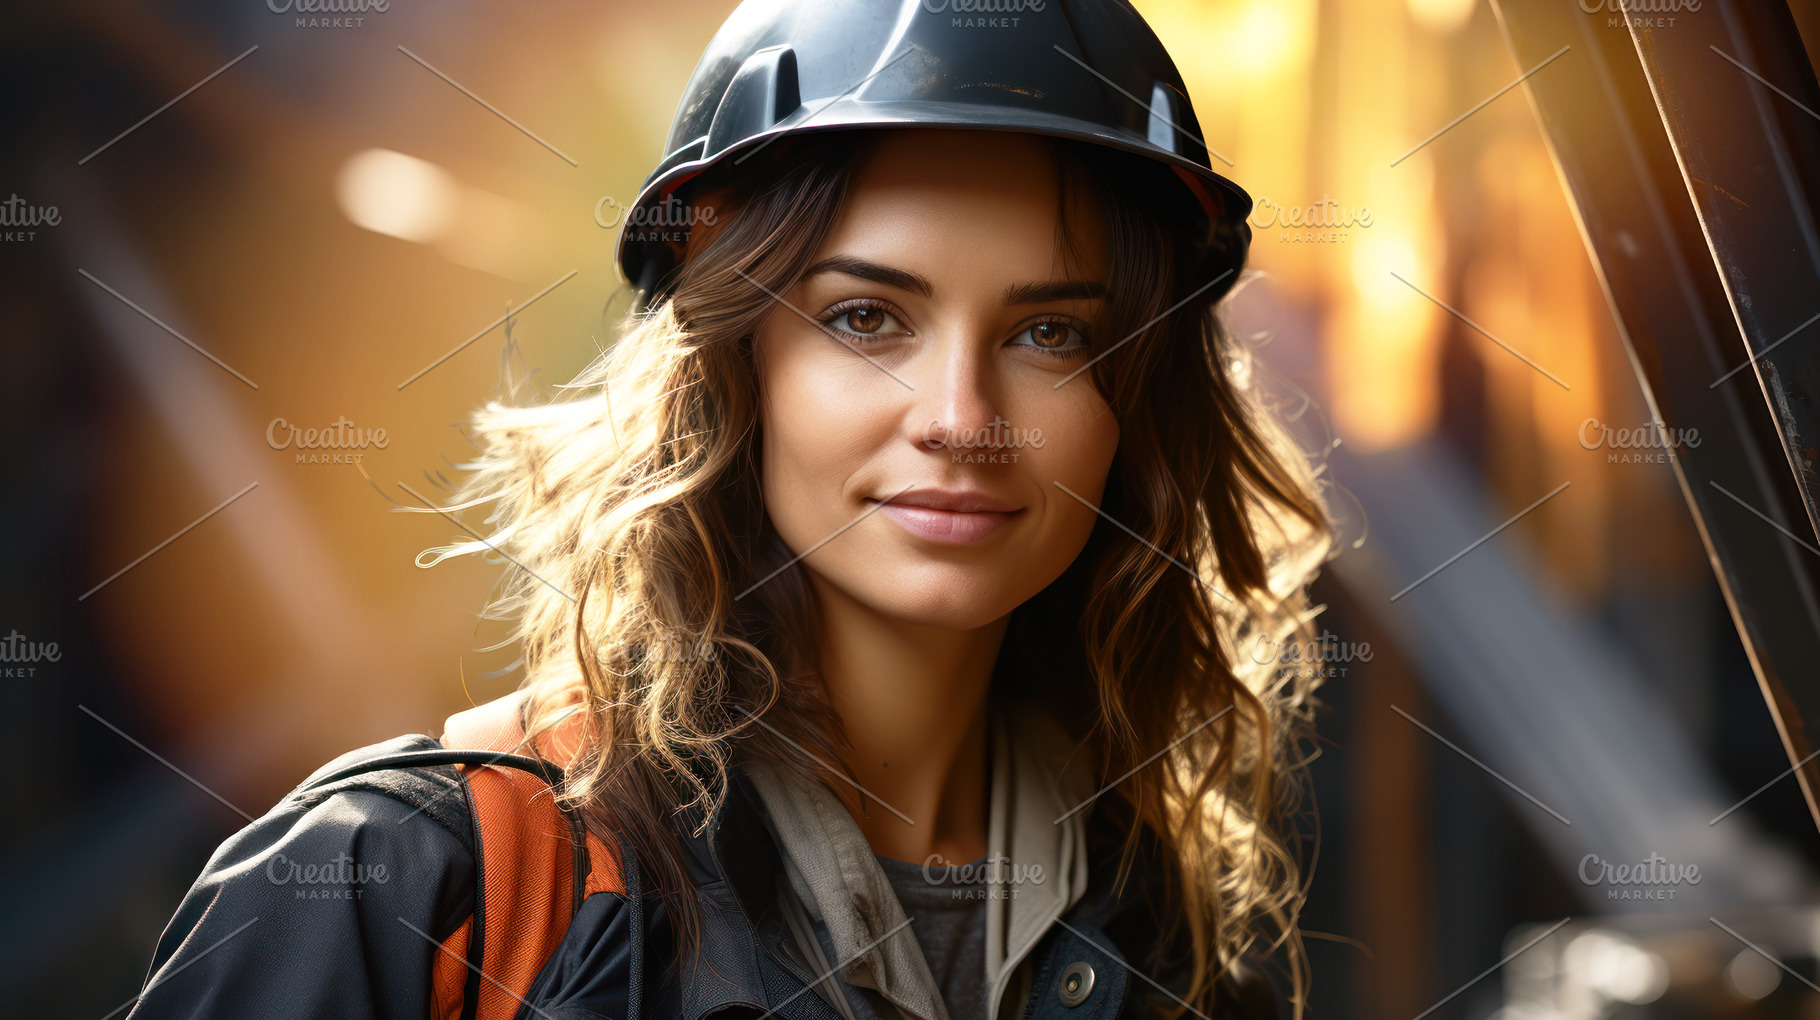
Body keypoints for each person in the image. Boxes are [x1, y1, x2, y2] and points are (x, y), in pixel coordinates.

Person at [126, 1, 1333, 1017]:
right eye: (866, 318)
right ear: (730, 369)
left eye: (1048, 332)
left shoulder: (1173, 939)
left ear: (1133, 403)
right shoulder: (411, 886)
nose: (963, 418)